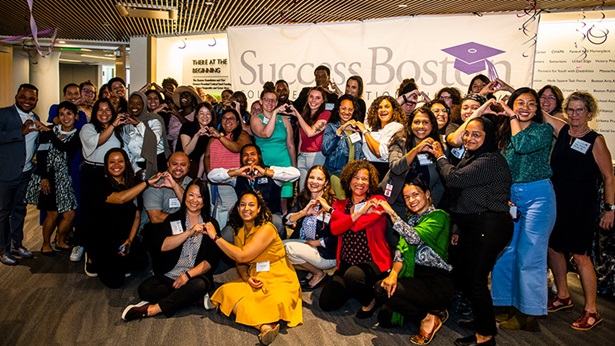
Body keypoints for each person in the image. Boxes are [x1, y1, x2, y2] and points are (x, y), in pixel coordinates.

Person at [429, 117, 513, 346]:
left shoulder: (490, 160)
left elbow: (454, 179)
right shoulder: (473, 157)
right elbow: (460, 198)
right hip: (472, 225)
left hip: (489, 226)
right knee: (467, 276)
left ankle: (486, 336)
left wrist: (439, 156)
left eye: (477, 134)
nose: (469, 138)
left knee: (475, 280)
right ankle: (481, 320)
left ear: (488, 137)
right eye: (467, 133)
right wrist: (458, 228)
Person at [546, 91, 614, 331]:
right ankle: (563, 295)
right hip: (557, 203)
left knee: (580, 256)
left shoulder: (596, 140)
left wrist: (610, 209)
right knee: (554, 248)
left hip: (582, 206)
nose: (575, 115)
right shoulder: (562, 130)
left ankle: (592, 310)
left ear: (589, 113)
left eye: (580, 110)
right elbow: (535, 110)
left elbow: (608, 177)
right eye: (571, 110)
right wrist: (511, 92)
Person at [491, 87, 556, 331]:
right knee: (506, 251)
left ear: (538, 109)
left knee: (530, 256)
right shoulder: (505, 133)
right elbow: (502, 165)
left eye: (531, 104)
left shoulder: (543, 130)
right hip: (512, 197)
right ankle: (504, 302)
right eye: (520, 103)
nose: (525, 108)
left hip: (538, 195)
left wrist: (511, 116)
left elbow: (523, 145)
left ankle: (528, 313)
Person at [206, 190, 303, 345]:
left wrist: (215, 237)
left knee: (274, 301)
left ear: (259, 209)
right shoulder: (239, 231)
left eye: (251, 205)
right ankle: (264, 326)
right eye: (242, 205)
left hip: (279, 278)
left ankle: (264, 320)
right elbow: (241, 263)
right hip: (256, 276)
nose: (246, 208)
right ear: (237, 209)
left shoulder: (267, 229)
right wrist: (247, 278)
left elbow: (241, 256)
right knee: (225, 291)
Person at [121, 179, 222, 321]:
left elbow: (211, 261)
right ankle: (192, 298)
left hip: (194, 276)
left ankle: (152, 310)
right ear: (185, 196)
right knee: (145, 289)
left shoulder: (211, 224)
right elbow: (163, 245)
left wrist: (186, 276)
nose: (194, 200)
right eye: (191, 195)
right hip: (170, 274)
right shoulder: (172, 219)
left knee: (199, 285)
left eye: (199, 196)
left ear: (205, 200)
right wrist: (189, 232)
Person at [374, 179, 453, 345]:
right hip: (413, 278)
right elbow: (400, 254)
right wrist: (394, 274)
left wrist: (391, 213)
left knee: (381, 290)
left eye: (415, 194)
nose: (411, 200)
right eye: (407, 197)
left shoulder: (439, 216)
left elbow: (413, 237)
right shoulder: (411, 222)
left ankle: (428, 318)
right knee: (385, 318)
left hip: (436, 282)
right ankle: (433, 310)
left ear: (427, 194)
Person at [318, 160, 392, 318]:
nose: (360, 182)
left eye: (364, 179)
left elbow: (356, 226)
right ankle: (355, 288)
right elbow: (335, 229)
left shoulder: (378, 202)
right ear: (348, 180)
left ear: (370, 182)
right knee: (326, 303)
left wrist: (331, 211)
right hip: (346, 262)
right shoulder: (339, 204)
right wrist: (358, 213)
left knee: (353, 276)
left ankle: (370, 299)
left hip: (373, 260)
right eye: (356, 177)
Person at [84, 148, 161, 288]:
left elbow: (137, 214)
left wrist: (130, 240)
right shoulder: (99, 183)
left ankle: (120, 259)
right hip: (102, 236)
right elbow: (120, 198)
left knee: (141, 264)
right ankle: (92, 257)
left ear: (126, 163)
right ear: (106, 165)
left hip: (123, 234)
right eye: (111, 162)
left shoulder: (134, 182)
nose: (116, 165)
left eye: (120, 161)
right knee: (115, 282)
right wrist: (147, 183)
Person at [208, 144, 300, 241]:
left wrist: (266, 172)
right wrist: (236, 172)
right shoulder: (237, 175)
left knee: (278, 224)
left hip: (270, 216)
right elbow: (211, 176)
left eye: (253, 154)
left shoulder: (270, 171)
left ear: (259, 156)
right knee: (225, 235)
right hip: (244, 218)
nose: (249, 157)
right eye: (245, 155)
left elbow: (296, 174)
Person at [25, 101, 81, 255]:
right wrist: (44, 177)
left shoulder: (78, 135)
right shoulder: (48, 132)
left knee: (70, 214)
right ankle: (45, 244)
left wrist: (50, 133)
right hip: (48, 178)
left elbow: (66, 149)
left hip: (65, 180)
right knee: (52, 214)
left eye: (69, 113)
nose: (65, 117)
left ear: (75, 116)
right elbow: (41, 156)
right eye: (62, 114)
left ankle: (60, 239)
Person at [0, 84, 47, 265]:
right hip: (6, 172)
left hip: (25, 171)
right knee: (3, 213)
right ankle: (3, 250)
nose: (27, 101)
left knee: (19, 210)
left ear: (36, 100)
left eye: (31, 99)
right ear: (16, 96)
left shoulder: (35, 117)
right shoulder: (4, 114)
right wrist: (19, 132)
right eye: (23, 97)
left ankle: (16, 244)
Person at [380, 107, 444, 218]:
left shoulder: (439, 147)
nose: (421, 126)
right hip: (395, 203)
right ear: (410, 125)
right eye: (417, 122)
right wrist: (415, 150)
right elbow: (396, 168)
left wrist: (428, 206)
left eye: (425, 122)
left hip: (423, 206)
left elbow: (441, 181)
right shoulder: (399, 141)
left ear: (432, 125)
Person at [284, 165, 337, 289]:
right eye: (311, 177)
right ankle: (312, 270)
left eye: (319, 179)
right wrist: (303, 212)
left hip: (326, 253)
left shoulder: (333, 203)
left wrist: (318, 242)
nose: (314, 182)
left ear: (326, 183)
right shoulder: (303, 199)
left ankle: (318, 273)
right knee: (277, 247)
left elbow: (339, 235)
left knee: (288, 249)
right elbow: (286, 220)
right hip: (307, 244)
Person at [250, 86, 296, 213]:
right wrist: (275, 114)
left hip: (284, 164)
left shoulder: (285, 120)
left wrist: (294, 167)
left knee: (284, 201)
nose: (270, 103)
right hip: (265, 166)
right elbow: (266, 134)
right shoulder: (255, 119)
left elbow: (291, 145)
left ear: (276, 102)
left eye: (273, 100)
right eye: (266, 100)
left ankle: (283, 228)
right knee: (265, 200)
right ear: (261, 101)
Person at [203, 109, 251, 229]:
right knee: (216, 213)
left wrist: (220, 136)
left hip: (232, 182)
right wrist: (210, 172)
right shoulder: (213, 138)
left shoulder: (242, 135)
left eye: (231, 118)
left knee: (232, 212)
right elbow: (207, 156)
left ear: (238, 122)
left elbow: (236, 148)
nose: (227, 121)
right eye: (224, 118)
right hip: (215, 183)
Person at [286, 86, 331, 189]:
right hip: (303, 156)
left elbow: (310, 132)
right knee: (302, 190)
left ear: (323, 100)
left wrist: (297, 114)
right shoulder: (304, 115)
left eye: (317, 98)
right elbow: (302, 137)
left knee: (316, 189)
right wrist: (298, 154)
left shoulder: (326, 114)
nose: (313, 100)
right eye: (311, 97)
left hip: (317, 155)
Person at [322, 94, 365, 199]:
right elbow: (326, 150)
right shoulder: (331, 127)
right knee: (341, 201)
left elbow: (360, 153)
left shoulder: (357, 129)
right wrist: (340, 130)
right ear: (337, 109)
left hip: (353, 176)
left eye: (350, 109)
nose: (346, 112)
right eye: (343, 108)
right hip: (335, 173)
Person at [354, 95, 405, 181]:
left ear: (393, 110)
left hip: (384, 172)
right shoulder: (370, 129)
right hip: (368, 171)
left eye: (387, 107)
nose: (383, 110)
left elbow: (379, 152)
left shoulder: (396, 127)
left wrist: (365, 132)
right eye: (379, 107)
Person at [122, 91, 170, 178]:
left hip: (156, 162)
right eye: (131, 103)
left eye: (139, 103)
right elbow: (126, 151)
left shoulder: (154, 120)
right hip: (136, 166)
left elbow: (154, 140)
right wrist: (136, 169)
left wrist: (138, 124)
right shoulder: (126, 124)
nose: (134, 106)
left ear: (144, 105)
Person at [141, 152, 192, 227]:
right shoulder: (156, 183)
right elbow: (155, 218)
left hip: (182, 227)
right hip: (154, 228)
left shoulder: (192, 183)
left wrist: (175, 186)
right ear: (168, 165)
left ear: (188, 167)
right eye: (174, 164)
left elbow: (192, 208)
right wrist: (185, 219)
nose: (178, 168)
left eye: (183, 165)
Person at [177, 102, 216, 178]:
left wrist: (198, 178)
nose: (205, 116)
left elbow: (204, 156)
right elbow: (186, 152)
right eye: (201, 113)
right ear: (196, 115)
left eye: (208, 113)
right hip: (181, 165)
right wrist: (197, 135)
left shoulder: (212, 132)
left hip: (197, 169)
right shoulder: (187, 127)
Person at [445, 94, 487, 165]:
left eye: (475, 108)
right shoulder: (453, 126)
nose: (469, 111)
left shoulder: (488, 128)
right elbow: (455, 141)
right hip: (453, 172)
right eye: (465, 108)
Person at [168, 85, 202, 149]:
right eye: (182, 94)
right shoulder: (173, 115)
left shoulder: (197, 114)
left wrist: (178, 115)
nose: (184, 96)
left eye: (187, 94)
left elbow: (193, 129)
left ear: (193, 99)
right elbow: (170, 136)